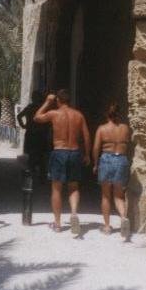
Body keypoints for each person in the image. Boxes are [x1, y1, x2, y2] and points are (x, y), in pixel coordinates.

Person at [34, 89, 90, 235]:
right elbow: (86, 136)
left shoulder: (54, 113)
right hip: (75, 152)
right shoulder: (79, 115)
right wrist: (87, 155)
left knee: (57, 188)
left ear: (58, 100)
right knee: (73, 186)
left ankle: (58, 224)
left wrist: (47, 102)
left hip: (59, 151)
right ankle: (73, 214)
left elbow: (36, 117)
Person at [93, 102, 132, 240]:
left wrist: (96, 164)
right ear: (119, 113)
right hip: (121, 159)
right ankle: (123, 218)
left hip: (106, 159)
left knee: (105, 196)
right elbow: (128, 143)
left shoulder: (102, 129)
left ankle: (107, 226)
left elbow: (96, 148)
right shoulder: (125, 128)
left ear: (106, 114)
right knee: (119, 195)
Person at [16, 90, 49, 182]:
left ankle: (31, 174)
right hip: (41, 134)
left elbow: (19, 116)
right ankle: (42, 176)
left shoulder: (30, 107)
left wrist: (23, 126)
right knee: (41, 155)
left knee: (31, 155)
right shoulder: (42, 109)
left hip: (31, 133)